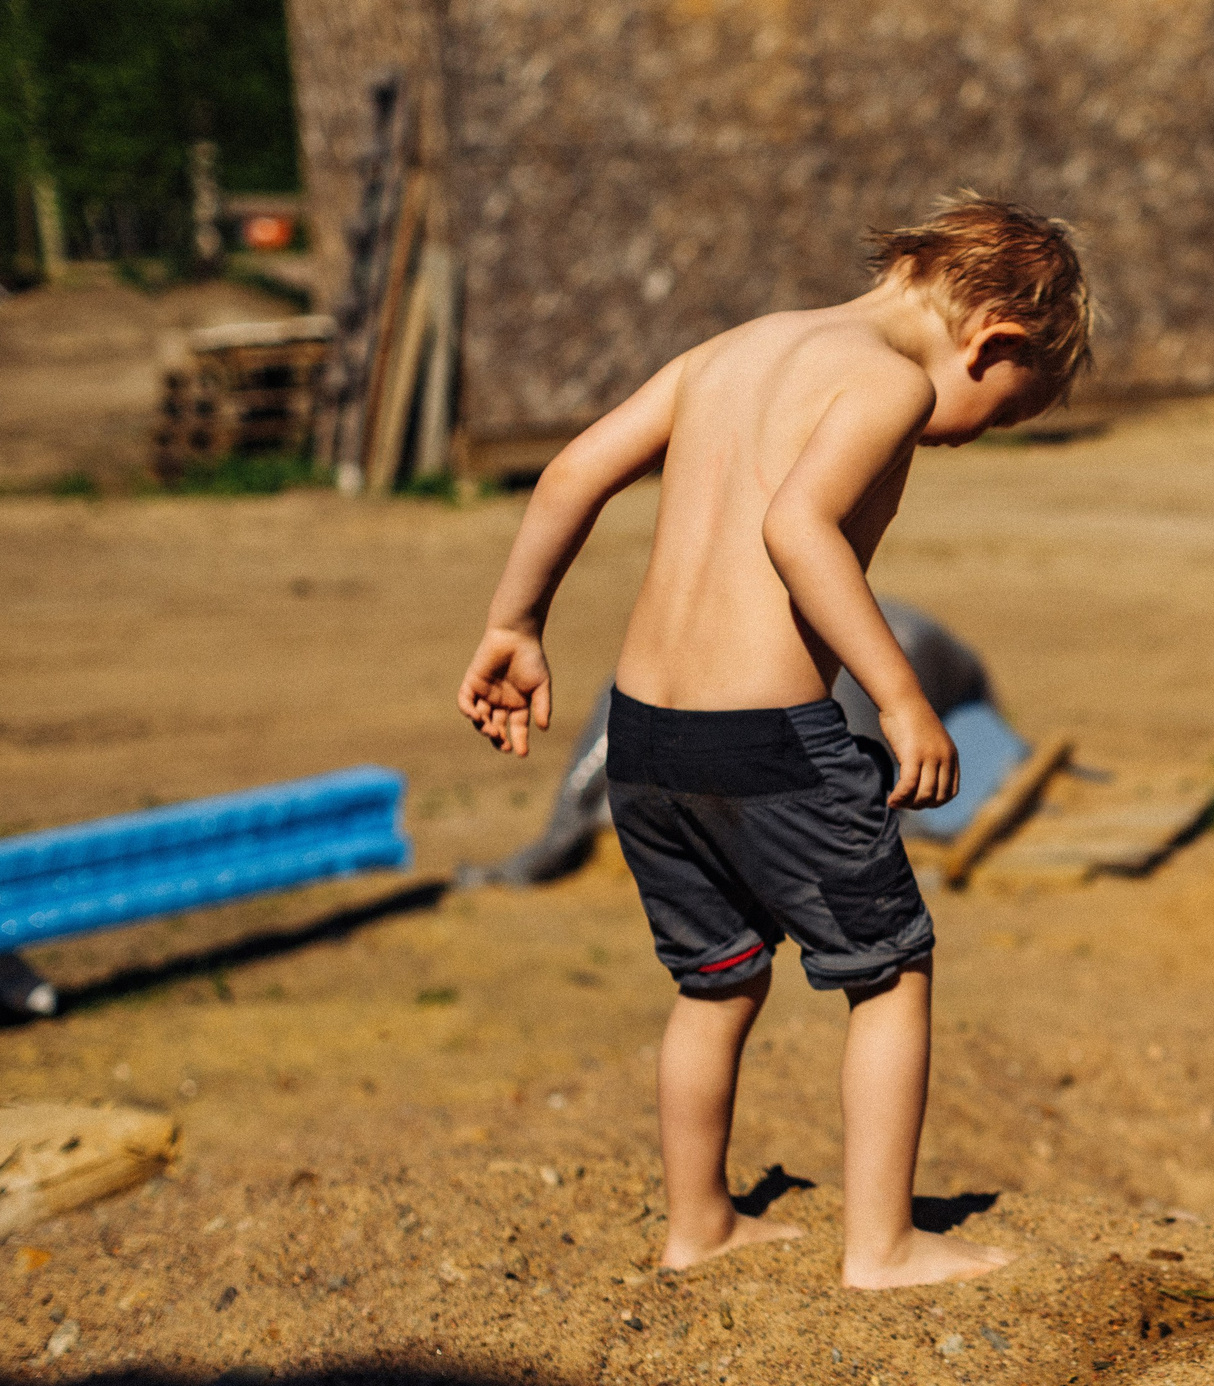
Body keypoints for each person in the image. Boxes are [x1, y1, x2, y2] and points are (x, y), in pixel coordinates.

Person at [457, 196, 1090, 1282]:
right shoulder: (887, 378)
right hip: (770, 744)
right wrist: (899, 696)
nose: (958, 434)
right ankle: (881, 1246)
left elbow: (571, 472)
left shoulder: (730, 350)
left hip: (644, 736)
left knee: (718, 979)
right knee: (890, 974)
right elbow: (797, 529)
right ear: (995, 340)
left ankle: (697, 1224)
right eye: (989, 414)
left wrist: (515, 624)